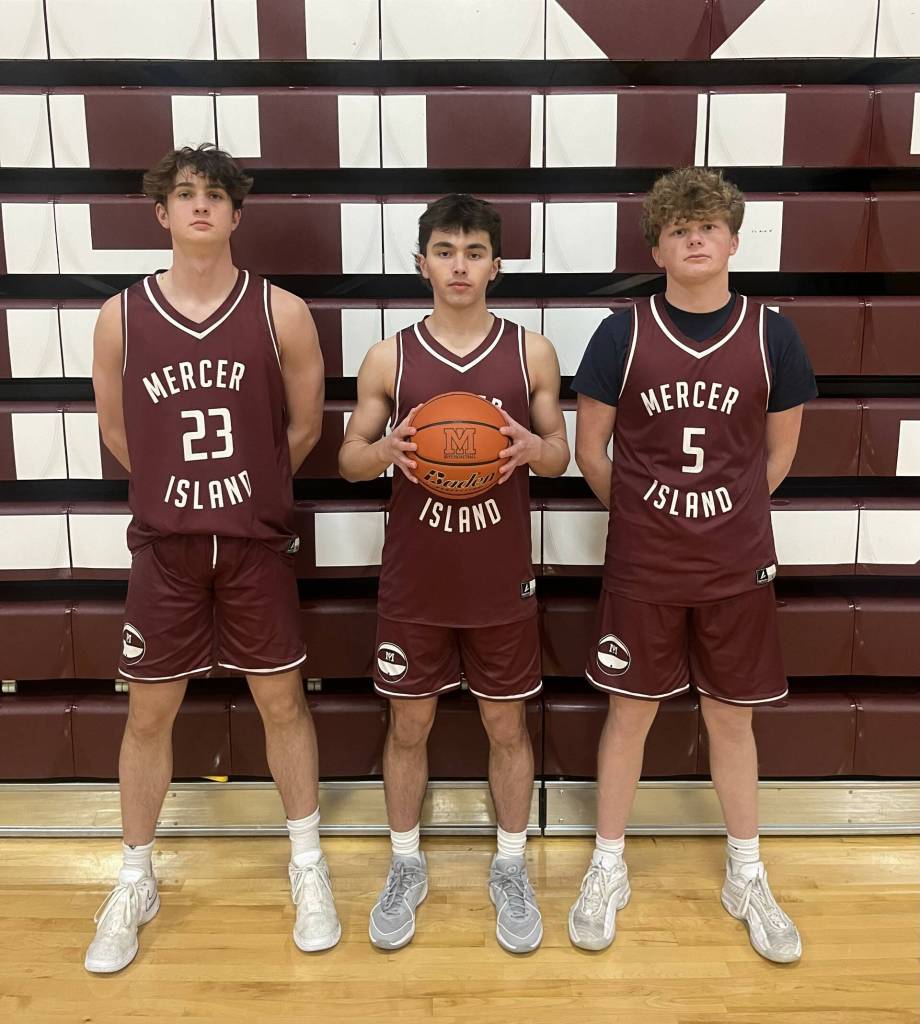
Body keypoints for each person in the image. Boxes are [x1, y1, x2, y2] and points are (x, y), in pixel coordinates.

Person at [86, 143, 338, 973]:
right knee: (148, 714)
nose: (200, 207)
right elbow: (118, 434)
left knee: (281, 703)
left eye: (215, 195)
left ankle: (307, 864)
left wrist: (246, 489)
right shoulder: (121, 314)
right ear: (161, 214)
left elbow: (302, 430)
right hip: (166, 548)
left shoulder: (281, 311)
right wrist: (181, 493)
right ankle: (133, 878)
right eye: (184, 195)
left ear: (236, 214)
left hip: (255, 544)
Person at [569, 167, 817, 962]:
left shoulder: (774, 333)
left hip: (734, 563)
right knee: (630, 713)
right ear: (659, 247)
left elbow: (778, 457)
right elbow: (588, 449)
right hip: (645, 563)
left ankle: (746, 873)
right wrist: (649, 515)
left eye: (708, 226)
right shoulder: (623, 333)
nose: (695, 239)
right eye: (679, 230)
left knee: (730, 718)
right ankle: (608, 864)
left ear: (735, 240)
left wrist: (720, 515)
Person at [339, 194, 569, 953]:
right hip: (417, 581)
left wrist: (535, 450)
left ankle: (509, 865)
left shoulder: (530, 350)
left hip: (499, 580)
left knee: (506, 723)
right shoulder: (390, 356)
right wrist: (388, 452)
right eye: (445, 250)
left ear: (496, 266)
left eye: (474, 252)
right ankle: (406, 864)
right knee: (409, 722)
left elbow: (561, 451)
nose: (459, 264)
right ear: (421, 263)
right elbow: (347, 458)